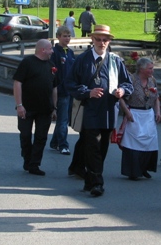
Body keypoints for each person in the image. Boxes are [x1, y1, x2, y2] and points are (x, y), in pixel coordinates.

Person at [66, 25, 133, 197]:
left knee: (102, 148)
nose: (102, 43)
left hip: (109, 111)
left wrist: (122, 91)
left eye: (105, 40)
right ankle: (97, 183)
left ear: (109, 41)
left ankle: (90, 180)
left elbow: (128, 83)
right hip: (89, 111)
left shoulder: (115, 61)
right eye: (98, 39)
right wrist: (88, 92)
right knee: (93, 146)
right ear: (92, 40)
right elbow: (70, 84)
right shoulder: (82, 60)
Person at [13, 39, 58, 175]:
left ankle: (34, 164)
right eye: (50, 48)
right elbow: (17, 83)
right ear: (43, 50)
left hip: (45, 109)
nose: (52, 51)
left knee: (41, 137)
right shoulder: (27, 63)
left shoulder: (51, 65)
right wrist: (19, 105)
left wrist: (54, 107)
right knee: (25, 135)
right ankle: (27, 159)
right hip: (27, 108)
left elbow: (54, 88)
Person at [118, 57, 161, 180]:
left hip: (148, 114)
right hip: (135, 113)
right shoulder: (131, 80)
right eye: (150, 68)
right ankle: (133, 170)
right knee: (133, 142)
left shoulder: (152, 80)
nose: (152, 71)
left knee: (149, 141)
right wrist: (126, 112)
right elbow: (120, 97)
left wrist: (157, 111)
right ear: (141, 69)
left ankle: (144, 168)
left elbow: (156, 96)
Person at [49, 26, 76, 155]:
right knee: (63, 120)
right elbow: (52, 72)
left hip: (70, 90)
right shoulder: (54, 52)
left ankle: (54, 142)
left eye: (69, 36)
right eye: (64, 36)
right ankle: (63, 145)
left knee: (63, 119)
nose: (67, 38)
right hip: (60, 91)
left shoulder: (70, 52)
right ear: (58, 37)